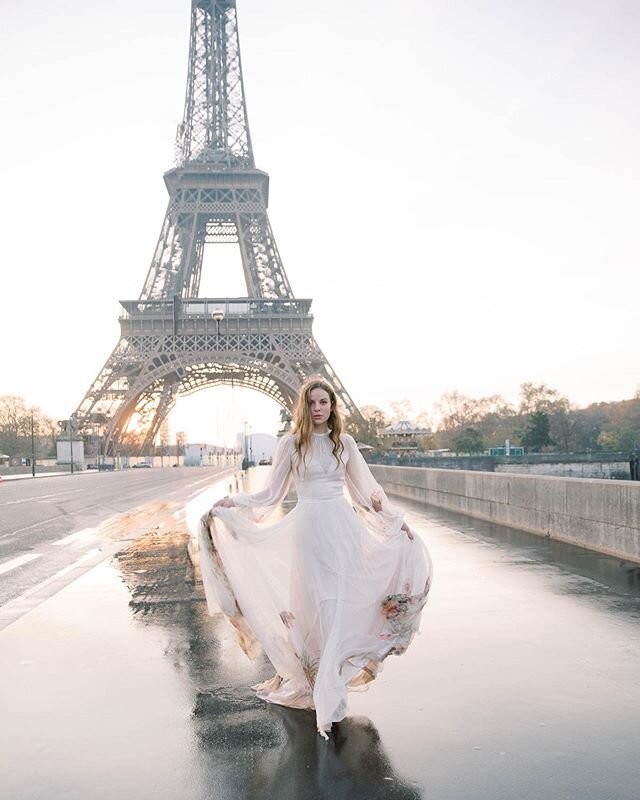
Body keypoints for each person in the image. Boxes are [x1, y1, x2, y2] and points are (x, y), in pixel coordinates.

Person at [198, 378, 433, 740]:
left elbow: (365, 491)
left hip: (341, 529)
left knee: (340, 602)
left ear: (333, 406)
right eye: (312, 403)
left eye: (324, 402)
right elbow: (271, 495)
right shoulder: (290, 444)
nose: (318, 408)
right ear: (303, 408)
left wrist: (395, 522)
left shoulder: (345, 444)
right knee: (314, 605)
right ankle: (319, 681)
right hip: (307, 531)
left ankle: (331, 685)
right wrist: (234, 505)